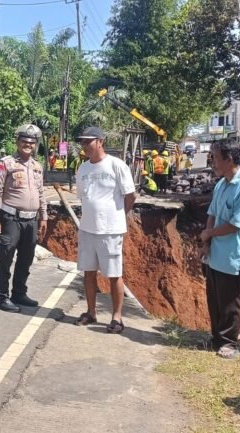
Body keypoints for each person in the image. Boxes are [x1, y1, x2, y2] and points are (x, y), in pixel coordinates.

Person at [73, 126, 137, 334]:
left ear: (100, 141)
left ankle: (116, 317)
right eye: (82, 142)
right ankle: (91, 312)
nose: (84, 146)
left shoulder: (116, 166)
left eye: (88, 141)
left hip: (110, 231)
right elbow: (83, 197)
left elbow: (130, 196)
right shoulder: (82, 169)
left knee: (114, 274)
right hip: (88, 229)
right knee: (89, 272)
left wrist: (118, 216)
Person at [200, 140, 240, 359]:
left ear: (229, 158)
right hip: (216, 254)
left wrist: (209, 234)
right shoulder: (221, 184)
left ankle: (229, 343)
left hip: (234, 255)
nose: (212, 161)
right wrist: (206, 242)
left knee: (230, 302)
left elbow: (236, 224)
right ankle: (216, 338)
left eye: (215, 157)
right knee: (214, 299)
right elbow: (212, 215)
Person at [0, 124, 48, 312]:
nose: (28, 145)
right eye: (24, 141)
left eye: (31, 142)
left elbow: (41, 192)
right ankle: (1, 298)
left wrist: (44, 216)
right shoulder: (6, 163)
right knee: (6, 258)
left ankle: (19, 293)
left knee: (26, 258)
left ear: (35, 145)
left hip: (30, 220)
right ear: (17, 142)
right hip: (10, 219)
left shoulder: (38, 166)